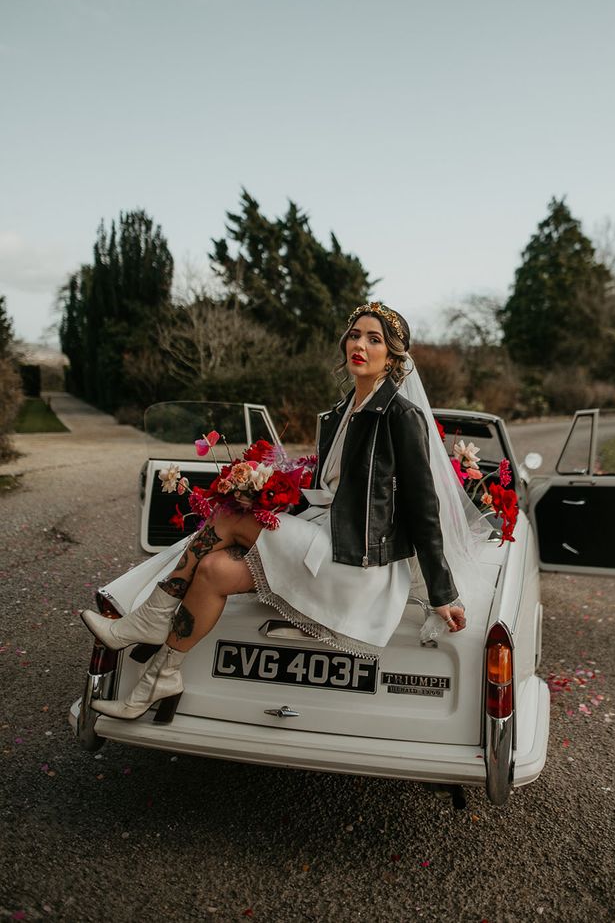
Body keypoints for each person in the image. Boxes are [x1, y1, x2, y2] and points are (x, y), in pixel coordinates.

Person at [82, 302, 474, 723]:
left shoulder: (401, 416)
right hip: (325, 539)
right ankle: (161, 677)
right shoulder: (341, 413)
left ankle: (149, 620)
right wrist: (266, 491)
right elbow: (330, 491)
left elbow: (423, 508)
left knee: (230, 516)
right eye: (355, 335)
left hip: (357, 563)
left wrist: (442, 594)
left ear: (393, 357)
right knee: (213, 571)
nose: (359, 344)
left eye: (374, 340)